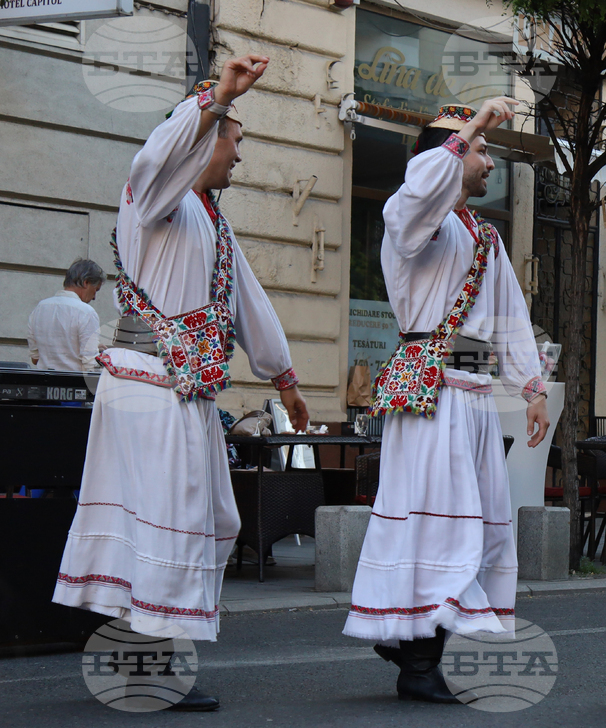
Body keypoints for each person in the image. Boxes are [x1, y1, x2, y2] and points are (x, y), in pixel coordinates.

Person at [52, 57, 309, 712]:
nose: (240, 158)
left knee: (211, 519)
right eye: (235, 140)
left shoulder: (211, 222)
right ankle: (151, 666)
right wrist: (213, 97)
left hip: (181, 392)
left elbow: (248, 302)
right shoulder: (152, 201)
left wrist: (283, 378)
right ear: (205, 137)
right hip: (149, 388)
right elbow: (153, 160)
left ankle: (139, 642)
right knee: (172, 524)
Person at [342, 99, 550, 703]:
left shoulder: (483, 235)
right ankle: (417, 661)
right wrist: (472, 128)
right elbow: (417, 198)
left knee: (470, 525)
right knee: (433, 524)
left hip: (475, 395)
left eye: (486, 149)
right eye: (482, 150)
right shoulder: (409, 219)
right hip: (432, 395)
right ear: (447, 155)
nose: (489, 162)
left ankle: (412, 639)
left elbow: (510, 318)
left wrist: (532, 387)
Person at [26, 259, 104, 371]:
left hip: (43, 384)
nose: (94, 297)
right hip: (74, 383)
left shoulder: (39, 308)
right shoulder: (86, 312)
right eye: (96, 290)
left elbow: (35, 358)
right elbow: (90, 364)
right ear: (86, 282)